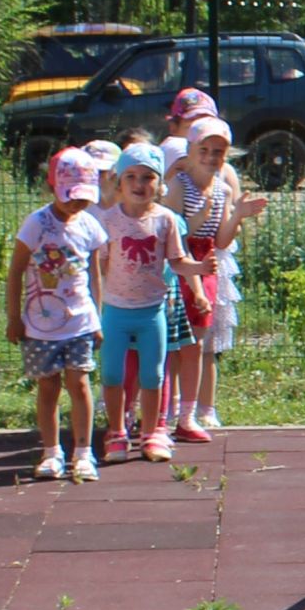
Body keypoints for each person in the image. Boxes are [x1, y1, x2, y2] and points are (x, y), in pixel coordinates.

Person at [96, 143, 217, 463]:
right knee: (112, 375)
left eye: (148, 177)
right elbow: (100, 266)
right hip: (116, 312)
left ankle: (152, 433)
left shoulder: (165, 220)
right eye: (131, 177)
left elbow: (177, 261)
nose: (139, 184)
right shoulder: (108, 221)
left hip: (153, 312)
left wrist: (200, 270)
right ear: (118, 181)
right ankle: (117, 431)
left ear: (159, 183)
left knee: (153, 375)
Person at [7, 148, 108, 481]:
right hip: (40, 324)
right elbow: (16, 270)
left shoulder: (90, 225)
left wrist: (98, 317)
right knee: (48, 387)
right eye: (70, 197)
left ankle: (83, 452)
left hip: (80, 321)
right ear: (53, 187)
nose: (76, 204)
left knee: (79, 384)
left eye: (83, 198)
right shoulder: (36, 224)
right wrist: (13, 317)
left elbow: (94, 273)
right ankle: (51, 453)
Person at [165, 116, 263, 436]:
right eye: (204, 149)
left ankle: (192, 412)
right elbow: (175, 238)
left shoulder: (221, 187)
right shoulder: (179, 185)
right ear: (191, 150)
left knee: (200, 341)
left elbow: (221, 241)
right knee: (174, 343)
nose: (210, 157)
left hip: (206, 263)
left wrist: (236, 215)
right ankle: (167, 411)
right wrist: (202, 215)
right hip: (179, 263)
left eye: (218, 152)